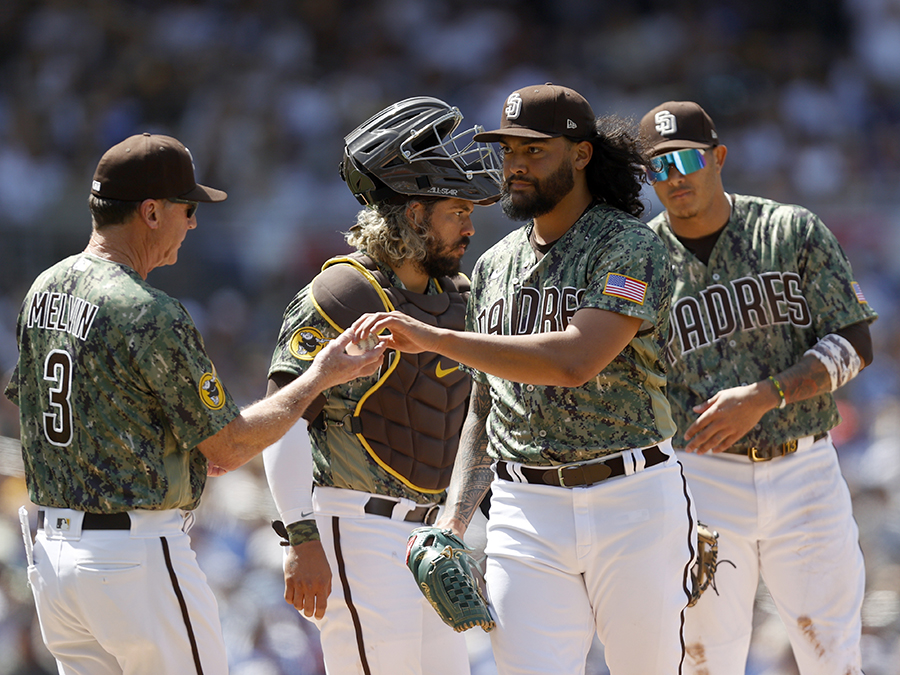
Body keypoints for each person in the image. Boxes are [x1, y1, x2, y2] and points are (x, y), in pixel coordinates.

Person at [3, 133, 385, 675]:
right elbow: (228, 447)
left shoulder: (44, 288)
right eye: (187, 208)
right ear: (151, 211)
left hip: (56, 562)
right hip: (135, 559)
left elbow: (33, 407)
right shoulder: (150, 311)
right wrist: (318, 377)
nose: (194, 222)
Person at [352, 83, 698, 675]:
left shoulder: (629, 246)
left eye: (533, 150)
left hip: (630, 499)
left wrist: (437, 338)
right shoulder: (494, 263)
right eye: (508, 148)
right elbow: (485, 409)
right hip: (523, 506)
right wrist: (454, 521)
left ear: (582, 154)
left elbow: (576, 360)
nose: (514, 164)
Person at [261, 96, 502, 675]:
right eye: (456, 210)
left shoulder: (460, 297)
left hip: (433, 540)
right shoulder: (347, 293)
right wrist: (300, 535)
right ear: (414, 213)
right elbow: (284, 415)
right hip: (356, 527)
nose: (470, 225)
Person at [639, 101, 877, 674]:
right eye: (660, 168)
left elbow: (854, 344)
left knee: (832, 653)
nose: (676, 178)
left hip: (805, 469)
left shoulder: (788, 230)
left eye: (688, 159)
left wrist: (766, 395)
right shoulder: (641, 260)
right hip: (702, 478)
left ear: (718, 157)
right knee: (703, 657)